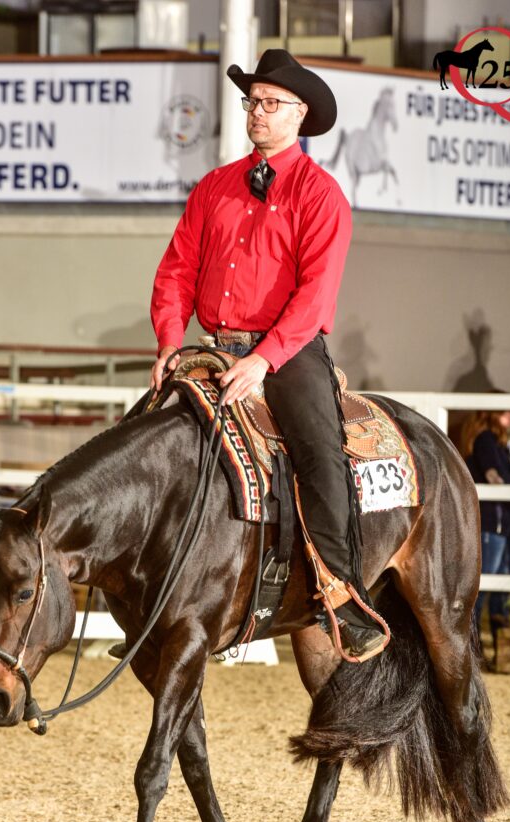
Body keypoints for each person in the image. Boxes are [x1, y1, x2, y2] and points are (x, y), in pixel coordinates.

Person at [149, 49, 386, 660]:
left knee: (317, 449)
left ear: (299, 115)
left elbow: (316, 293)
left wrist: (264, 359)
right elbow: (176, 271)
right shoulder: (213, 187)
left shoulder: (321, 193)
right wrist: (170, 341)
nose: (258, 111)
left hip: (289, 348)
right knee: (144, 438)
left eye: (270, 103)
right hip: (209, 346)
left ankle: (341, 592)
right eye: (253, 101)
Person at [463, 410, 510, 657]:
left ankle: (492, 647)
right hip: (493, 523)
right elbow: (494, 478)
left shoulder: (495, 442)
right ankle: (473, 643)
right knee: (484, 584)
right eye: (507, 411)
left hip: (504, 523)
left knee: (499, 585)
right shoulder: (487, 439)